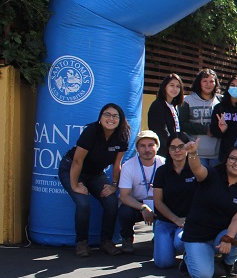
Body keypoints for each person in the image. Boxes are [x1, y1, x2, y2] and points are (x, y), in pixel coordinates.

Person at [58, 103, 130, 257]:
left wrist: (114, 186)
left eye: (115, 116)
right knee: (83, 203)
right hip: (72, 169)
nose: (110, 118)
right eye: (107, 114)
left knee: (111, 201)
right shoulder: (91, 131)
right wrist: (75, 185)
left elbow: (117, 164)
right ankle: (82, 243)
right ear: (100, 117)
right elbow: (77, 161)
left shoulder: (122, 136)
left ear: (120, 119)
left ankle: (106, 242)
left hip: (95, 174)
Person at [179, 142, 237, 278]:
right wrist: (193, 154)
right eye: (232, 158)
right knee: (203, 276)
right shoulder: (212, 175)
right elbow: (197, 169)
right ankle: (189, 256)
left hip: (220, 235)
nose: (236, 163)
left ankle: (228, 262)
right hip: (197, 235)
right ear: (226, 161)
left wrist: (227, 238)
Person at [152, 132, 197, 269]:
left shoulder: (195, 169)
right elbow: (158, 202)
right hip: (166, 221)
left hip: (189, 222)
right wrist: (176, 219)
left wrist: (188, 221)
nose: (177, 150)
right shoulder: (161, 171)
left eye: (181, 146)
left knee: (180, 242)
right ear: (168, 151)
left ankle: (189, 255)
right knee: (163, 263)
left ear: (187, 148)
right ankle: (163, 243)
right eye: (173, 147)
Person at [116, 130, 166, 254]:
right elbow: (124, 196)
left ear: (157, 147)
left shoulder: (165, 164)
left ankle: (160, 236)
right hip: (137, 204)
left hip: (160, 202)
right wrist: (143, 207)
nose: (147, 149)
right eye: (142, 146)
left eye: (150, 145)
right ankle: (127, 237)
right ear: (137, 148)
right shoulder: (128, 166)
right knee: (125, 211)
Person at [180, 68, 221, 168]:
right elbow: (183, 124)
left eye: (211, 81)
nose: (208, 84)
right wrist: (205, 130)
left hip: (217, 153)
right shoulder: (187, 100)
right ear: (199, 83)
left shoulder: (221, 100)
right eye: (205, 81)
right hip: (196, 152)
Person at [210, 74, 237, 167]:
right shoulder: (220, 107)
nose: (235, 88)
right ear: (228, 87)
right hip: (225, 153)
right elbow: (214, 131)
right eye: (232, 85)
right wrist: (222, 130)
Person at [147, 74, 184, 156]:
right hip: (164, 152)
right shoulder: (157, 105)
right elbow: (159, 131)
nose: (175, 89)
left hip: (175, 150)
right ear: (165, 87)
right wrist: (171, 147)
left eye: (178, 86)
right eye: (172, 85)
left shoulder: (174, 106)